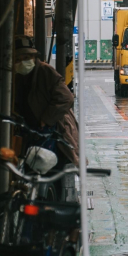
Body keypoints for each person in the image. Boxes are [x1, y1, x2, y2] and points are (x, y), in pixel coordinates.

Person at [13, 38, 78, 166]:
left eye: (26, 57)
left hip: (52, 130)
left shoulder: (45, 71)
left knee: (49, 166)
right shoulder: (18, 76)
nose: (22, 62)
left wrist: (46, 119)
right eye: (18, 59)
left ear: (33, 57)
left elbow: (66, 98)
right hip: (30, 131)